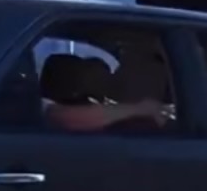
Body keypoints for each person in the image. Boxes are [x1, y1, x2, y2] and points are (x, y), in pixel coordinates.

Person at [41, 52, 172, 132]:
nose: (108, 80)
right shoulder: (39, 106)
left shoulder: (102, 107)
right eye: (94, 77)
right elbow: (66, 118)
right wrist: (140, 108)